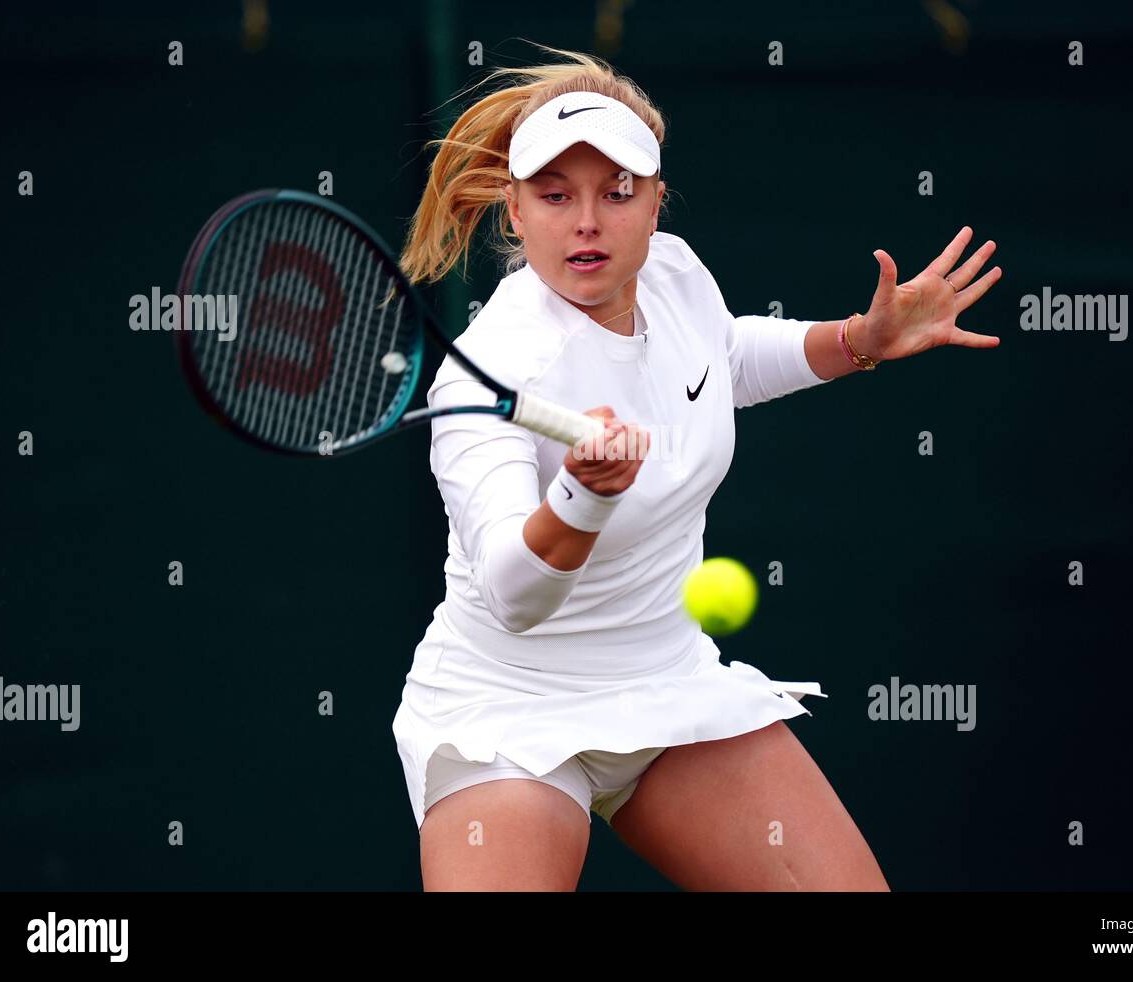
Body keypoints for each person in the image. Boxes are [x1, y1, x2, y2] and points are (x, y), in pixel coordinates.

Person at [391, 44, 1001, 892]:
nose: (588, 222)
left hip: (668, 687)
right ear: (515, 209)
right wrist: (581, 495)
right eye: (556, 195)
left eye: (617, 192)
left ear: (655, 202)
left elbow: (723, 357)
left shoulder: (674, 275)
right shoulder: (487, 374)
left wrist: (859, 342)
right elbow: (514, 593)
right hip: (508, 712)